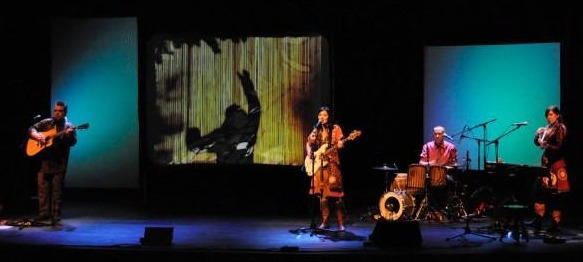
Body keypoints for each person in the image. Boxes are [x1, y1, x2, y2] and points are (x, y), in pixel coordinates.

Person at [186, 70, 261, 164]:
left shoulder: (222, 137)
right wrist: (247, 85)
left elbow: (194, 147)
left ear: (229, 120)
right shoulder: (250, 128)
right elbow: (255, 106)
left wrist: (193, 135)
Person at [28, 100, 77, 225]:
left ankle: (56, 215)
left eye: (60, 111)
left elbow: (72, 142)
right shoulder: (47, 122)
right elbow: (31, 128)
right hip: (44, 161)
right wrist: (36, 135)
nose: (57, 113)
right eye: (55, 110)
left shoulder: (68, 126)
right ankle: (43, 213)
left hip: (59, 162)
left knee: (57, 190)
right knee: (42, 188)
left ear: (65, 112)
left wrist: (69, 136)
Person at [305, 106, 346, 231]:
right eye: (320, 115)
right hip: (319, 166)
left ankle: (340, 223)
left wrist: (341, 144)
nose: (322, 117)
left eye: (324, 115)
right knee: (322, 196)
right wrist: (309, 153)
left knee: (336, 196)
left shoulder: (336, 128)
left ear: (329, 117)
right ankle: (325, 221)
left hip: (332, 165)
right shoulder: (316, 129)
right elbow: (308, 143)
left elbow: (341, 143)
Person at [532, 105, 570, 233]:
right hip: (546, 164)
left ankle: (555, 223)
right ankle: (538, 220)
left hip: (556, 164)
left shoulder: (561, 128)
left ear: (557, 115)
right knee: (539, 192)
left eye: (551, 114)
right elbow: (538, 143)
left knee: (556, 196)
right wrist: (537, 136)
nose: (549, 117)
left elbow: (560, 146)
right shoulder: (547, 128)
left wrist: (545, 144)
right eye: (547, 115)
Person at [418, 125, 458, 220]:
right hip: (430, 174)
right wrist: (430, 163)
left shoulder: (451, 147)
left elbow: (454, 164)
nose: (437, 136)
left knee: (449, 180)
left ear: (443, 135)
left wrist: (444, 168)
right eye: (435, 134)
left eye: (439, 134)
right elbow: (421, 162)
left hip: (445, 174)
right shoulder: (427, 146)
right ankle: (432, 210)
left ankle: (445, 209)